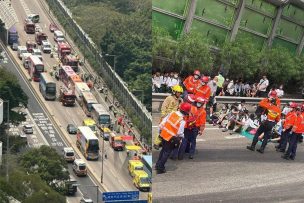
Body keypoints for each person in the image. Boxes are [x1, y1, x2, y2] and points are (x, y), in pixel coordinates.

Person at [155, 102, 191, 174]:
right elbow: (179, 133)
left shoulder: (172, 113)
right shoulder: (182, 120)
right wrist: (181, 139)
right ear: (186, 112)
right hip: (171, 138)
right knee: (166, 152)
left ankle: (157, 165)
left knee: (163, 151)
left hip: (163, 134)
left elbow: (163, 122)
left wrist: (160, 132)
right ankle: (160, 168)